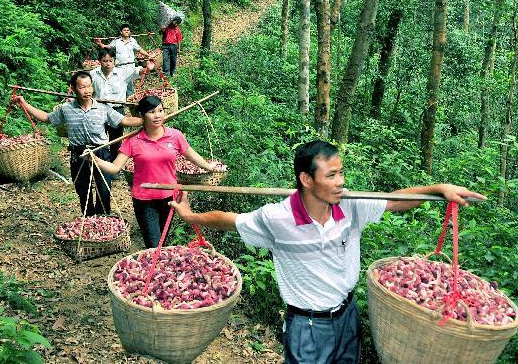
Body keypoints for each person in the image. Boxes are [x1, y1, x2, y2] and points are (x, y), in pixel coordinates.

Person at [168, 140, 486, 364]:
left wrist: (438, 189)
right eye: (331, 175)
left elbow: (394, 200)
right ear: (306, 179)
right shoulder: (277, 218)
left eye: (341, 173)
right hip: (307, 327)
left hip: (347, 316)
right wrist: (190, 217)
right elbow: (229, 221)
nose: (340, 182)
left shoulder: (351, 205)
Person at [90, 95, 224, 248]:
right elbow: (114, 168)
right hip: (144, 199)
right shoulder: (133, 141)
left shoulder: (175, 136)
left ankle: (158, 268)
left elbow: (192, 155)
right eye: (152, 112)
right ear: (141, 115)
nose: (157, 115)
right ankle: (153, 268)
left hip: (169, 197)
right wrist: (95, 160)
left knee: (163, 241)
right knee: (154, 244)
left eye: (160, 111)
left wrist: (208, 167)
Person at [14, 71, 143, 216]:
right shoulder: (66, 109)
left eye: (89, 86)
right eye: (82, 87)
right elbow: (45, 118)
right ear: (74, 89)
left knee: (104, 190)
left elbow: (124, 121)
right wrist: (24, 103)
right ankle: (88, 222)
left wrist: (147, 120)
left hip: (100, 151)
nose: (87, 91)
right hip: (79, 154)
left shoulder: (102, 108)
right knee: (83, 191)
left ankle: (103, 221)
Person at [89, 48, 152, 157]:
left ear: (114, 61)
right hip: (99, 111)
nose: (108, 64)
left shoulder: (122, 73)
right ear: (100, 61)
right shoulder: (93, 74)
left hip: (117, 110)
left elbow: (138, 71)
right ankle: (100, 163)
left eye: (110, 61)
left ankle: (114, 165)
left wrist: (149, 68)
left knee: (116, 140)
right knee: (98, 140)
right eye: (105, 61)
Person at [95, 23, 147, 95]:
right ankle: (119, 97)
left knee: (129, 83)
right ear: (121, 32)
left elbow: (139, 49)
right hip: (120, 66)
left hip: (130, 66)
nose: (126, 31)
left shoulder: (133, 41)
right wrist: (100, 43)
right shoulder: (117, 41)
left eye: (128, 30)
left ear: (130, 32)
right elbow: (107, 47)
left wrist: (148, 55)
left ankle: (129, 97)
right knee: (120, 82)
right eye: (124, 30)